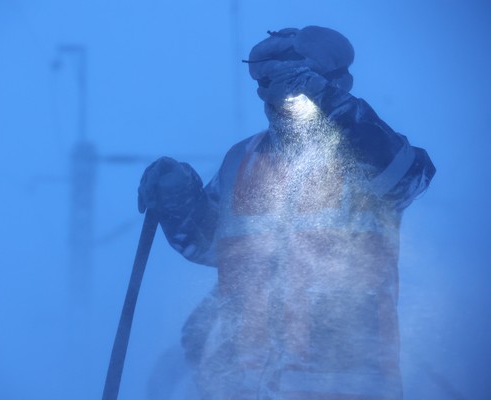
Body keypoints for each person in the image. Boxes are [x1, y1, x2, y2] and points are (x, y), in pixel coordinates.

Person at [138, 26, 435, 400]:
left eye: (296, 79)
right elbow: (211, 245)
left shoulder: (364, 151)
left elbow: (405, 177)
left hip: (342, 385)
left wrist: (332, 104)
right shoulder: (242, 159)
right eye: (268, 80)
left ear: (334, 82)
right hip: (246, 386)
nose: (281, 93)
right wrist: (178, 201)